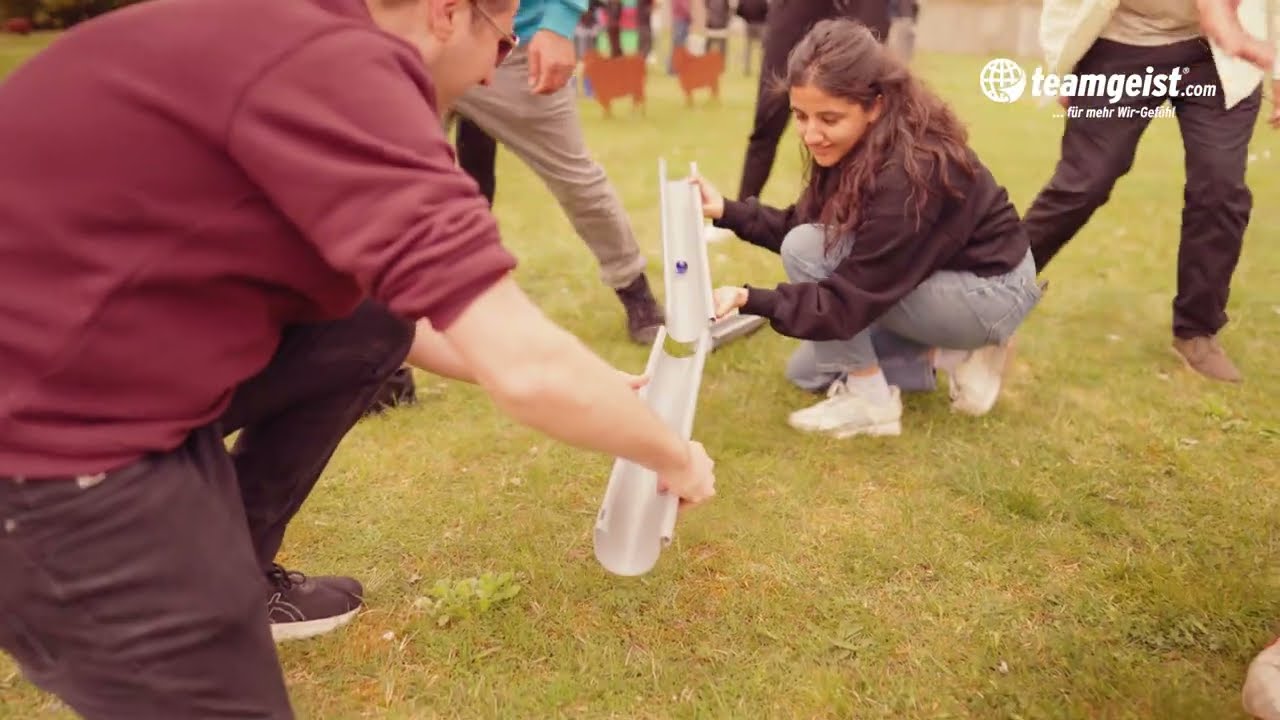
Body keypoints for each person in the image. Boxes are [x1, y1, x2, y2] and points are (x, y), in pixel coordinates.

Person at [0, 0, 716, 715]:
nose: (493, 81)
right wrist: (673, 455)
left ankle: (236, 568)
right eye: (501, 46)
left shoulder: (293, 28)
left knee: (370, 321)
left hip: (89, 362)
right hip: (40, 445)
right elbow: (525, 367)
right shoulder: (339, 71)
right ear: (445, 15)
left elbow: (398, 325)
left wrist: (597, 392)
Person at [690, 18, 1042, 437]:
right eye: (800, 116)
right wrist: (727, 212)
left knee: (807, 255)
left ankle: (873, 404)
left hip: (990, 291)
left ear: (875, 105)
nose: (811, 134)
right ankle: (951, 357)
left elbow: (842, 299)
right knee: (807, 371)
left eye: (829, 119)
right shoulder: (860, 144)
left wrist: (747, 298)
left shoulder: (911, 173)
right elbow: (806, 222)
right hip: (934, 275)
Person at [1027, 0, 1279, 382]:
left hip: (1214, 59)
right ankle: (985, 284)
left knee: (1220, 186)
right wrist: (1060, 66)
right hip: (1122, 45)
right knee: (1084, 182)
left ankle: (1197, 331)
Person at [450, 0, 667, 346]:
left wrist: (557, 23)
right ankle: (381, 350)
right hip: (413, 38)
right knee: (387, 185)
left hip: (513, 42)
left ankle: (634, 289)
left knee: (577, 182)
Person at [732, 0, 890, 206]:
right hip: (796, 13)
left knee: (862, 115)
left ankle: (856, 210)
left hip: (860, 11)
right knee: (769, 115)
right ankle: (744, 206)